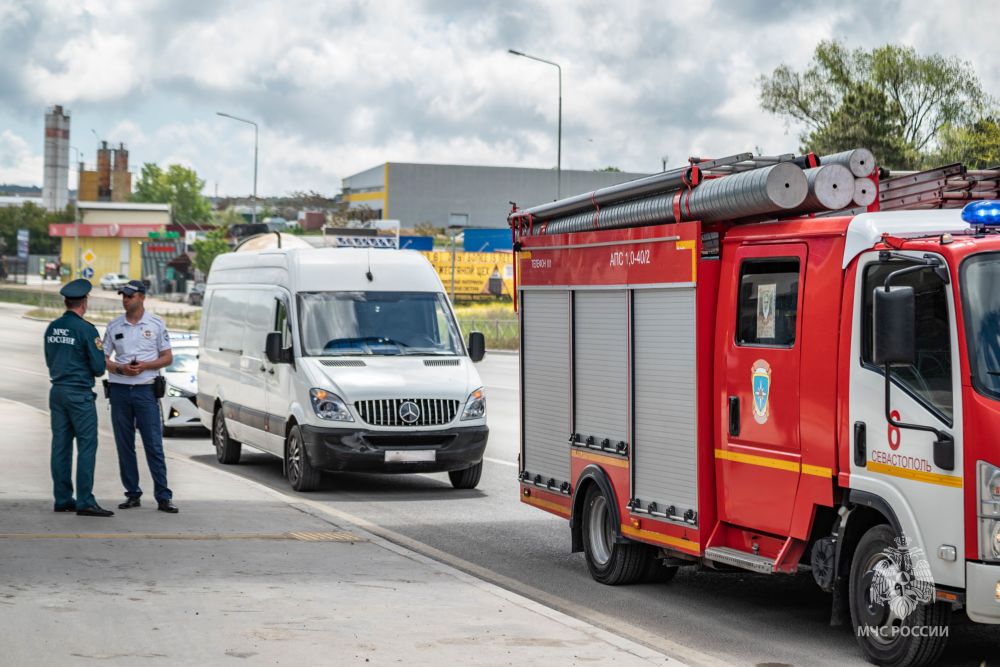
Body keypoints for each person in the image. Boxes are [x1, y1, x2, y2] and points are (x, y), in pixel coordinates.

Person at [103, 279, 178, 513]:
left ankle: (163, 496)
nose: (125, 300)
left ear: (142, 297)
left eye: (130, 296)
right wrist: (120, 369)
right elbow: (103, 359)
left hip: (146, 390)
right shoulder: (114, 326)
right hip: (120, 390)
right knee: (124, 445)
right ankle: (132, 493)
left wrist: (145, 365)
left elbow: (167, 357)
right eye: (123, 296)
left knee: (153, 444)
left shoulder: (156, 324)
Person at [44, 278, 115, 517]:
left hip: (57, 391)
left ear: (66, 302)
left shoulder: (52, 328)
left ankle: (63, 498)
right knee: (87, 445)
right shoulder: (87, 330)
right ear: (84, 302)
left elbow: (50, 359)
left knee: (60, 445)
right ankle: (85, 500)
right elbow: (98, 368)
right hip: (79, 394)